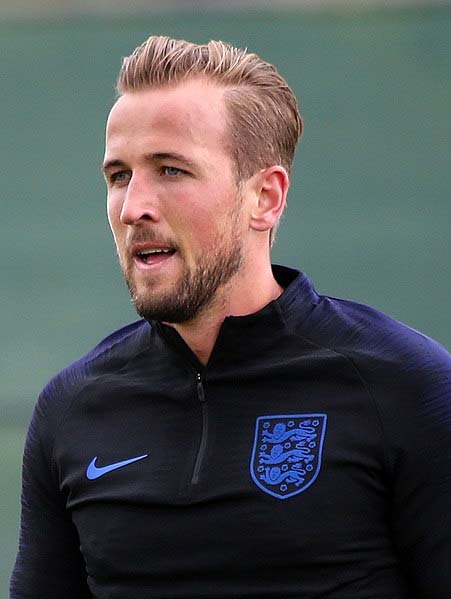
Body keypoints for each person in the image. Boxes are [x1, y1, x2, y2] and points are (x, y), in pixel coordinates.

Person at [10, 35, 450, 599]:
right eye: (119, 176)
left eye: (171, 170)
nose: (133, 207)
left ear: (265, 197)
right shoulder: (71, 408)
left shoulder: (405, 386)